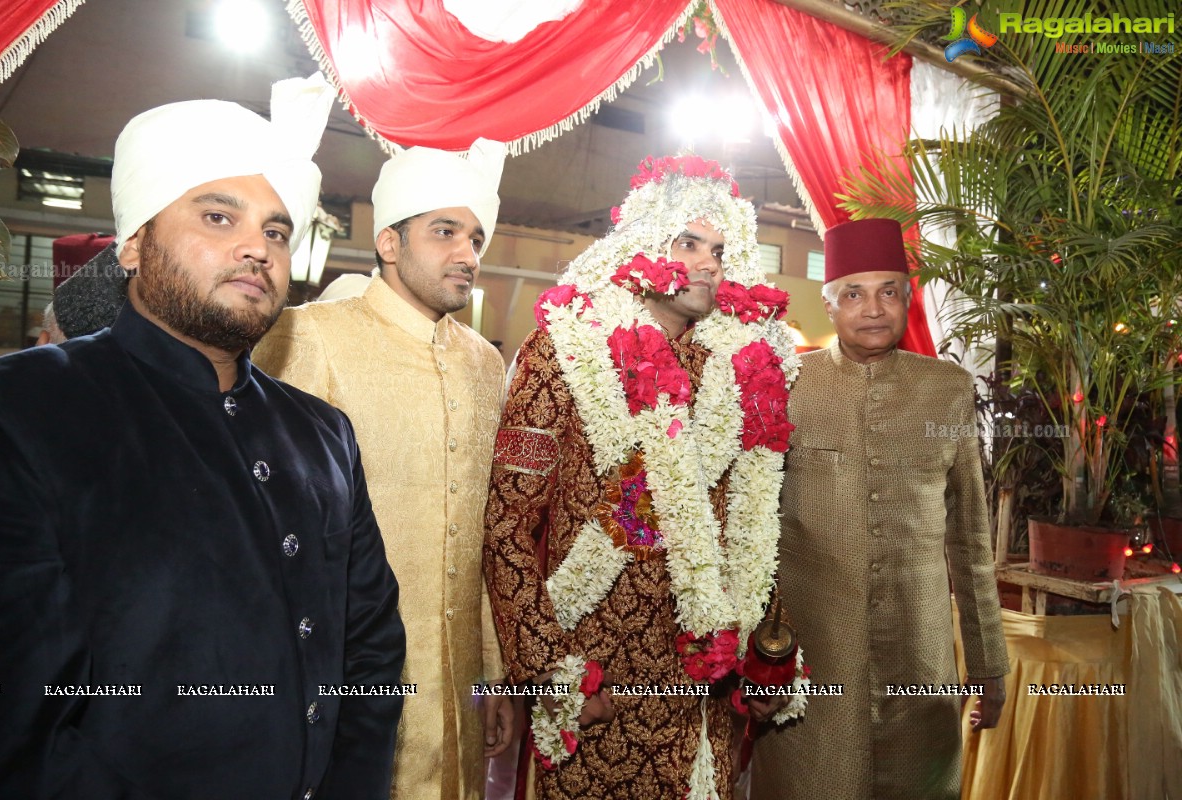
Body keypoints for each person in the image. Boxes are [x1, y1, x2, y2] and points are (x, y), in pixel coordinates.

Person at [0, 74, 406, 798]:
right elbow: (12, 717)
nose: (258, 249)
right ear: (134, 244)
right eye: (218, 218)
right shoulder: (22, 408)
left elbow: (370, 648)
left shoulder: (322, 432)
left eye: (276, 231)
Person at [483, 155, 805, 799]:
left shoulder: (743, 371)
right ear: (641, 243)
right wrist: (554, 672)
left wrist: (765, 656)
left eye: (719, 248)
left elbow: (752, 527)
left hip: (701, 684)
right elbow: (507, 526)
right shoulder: (566, 349)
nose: (708, 262)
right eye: (688, 241)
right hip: (597, 677)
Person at [253, 138, 514, 800]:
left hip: (457, 689)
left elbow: (487, 533)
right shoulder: (312, 335)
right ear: (390, 244)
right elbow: (272, 526)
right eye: (445, 232)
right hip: (347, 681)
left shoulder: (485, 363)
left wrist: (493, 671)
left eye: (476, 237)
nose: (467, 254)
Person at [752, 217, 1009, 800]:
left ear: (907, 299)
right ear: (829, 303)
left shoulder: (947, 387)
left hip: (919, 657)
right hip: (811, 657)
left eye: (888, 291)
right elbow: (750, 528)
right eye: (854, 293)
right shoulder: (786, 382)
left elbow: (970, 536)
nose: (873, 308)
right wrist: (754, 654)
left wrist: (989, 662)